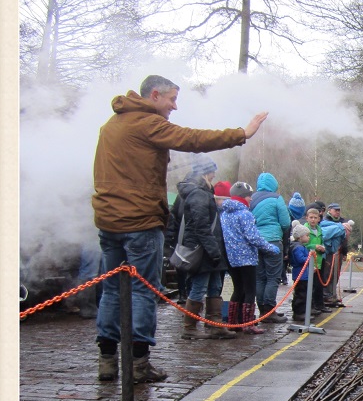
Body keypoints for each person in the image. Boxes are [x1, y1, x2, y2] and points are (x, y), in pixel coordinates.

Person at [92, 74, 268, 383]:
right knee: (144, 291)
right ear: (155, 95)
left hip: (108, 219)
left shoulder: (111, 126)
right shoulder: (147, 123)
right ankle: (140, 363)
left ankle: (106, 361)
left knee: (110, 290)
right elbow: (192, 139)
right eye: (172, 99)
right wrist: (243, 133)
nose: (175, 106)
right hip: (139, 222)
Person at [166, 155, 236, 340]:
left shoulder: (202, 191)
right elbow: (200, 226)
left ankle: (214, 325)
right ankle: (189, 327)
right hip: (203, 249)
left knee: (215, 286)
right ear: (205, 172)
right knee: (199, 287)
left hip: (209, 248)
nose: (214, 175)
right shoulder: (198, 193)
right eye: (212, 171)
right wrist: (214, 251)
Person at [220, 181, 280, 334]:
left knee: (238, 289)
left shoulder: (225, 214)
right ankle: (248, 323)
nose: (251, 199)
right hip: (246, 257)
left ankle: (233, 323)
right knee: (250, 290)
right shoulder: (245, 214)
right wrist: (271, 248)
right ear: (242, 197)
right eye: (248, 196)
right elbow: (253, 237)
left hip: (231, 257)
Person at [249, 172, 291, 323]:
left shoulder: (252, 199)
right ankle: (269, 310)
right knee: (273, 277)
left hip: (256, 242)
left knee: (260, 278)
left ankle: (262, 311)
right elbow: (286, 223)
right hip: (273, 241)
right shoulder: (276, 198)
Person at [321, 203, 348, 305]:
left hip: (339, 251)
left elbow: (345, 239)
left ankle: (332, 293)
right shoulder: (325, 222)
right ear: (330, 210)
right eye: (335, 210)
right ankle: (326, 295)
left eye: (339, 210)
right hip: (329, 251)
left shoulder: (342, 221)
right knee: (328, 274)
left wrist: (345, 252)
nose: (337, 212)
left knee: (336, 274)